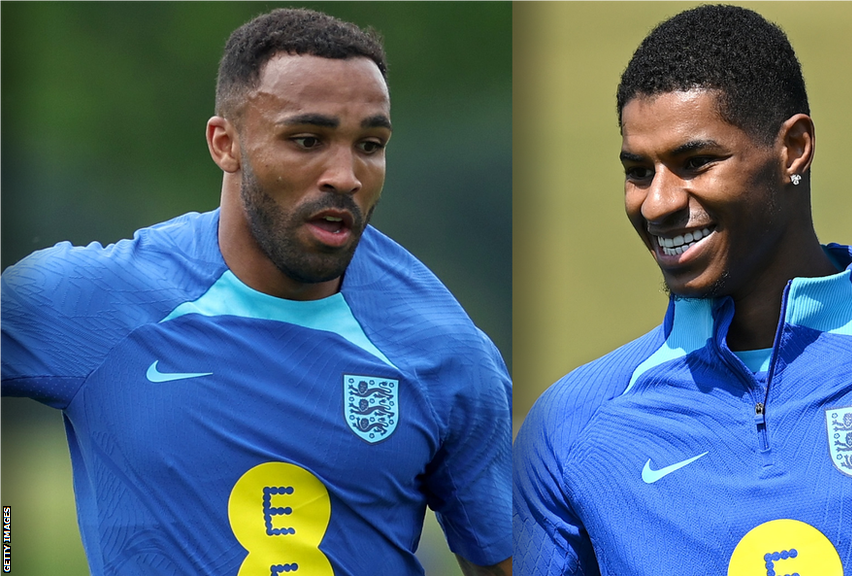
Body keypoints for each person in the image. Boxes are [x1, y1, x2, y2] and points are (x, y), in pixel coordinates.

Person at [513, 5, 852, 574]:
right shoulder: (571, 429)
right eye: (638, 171)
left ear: (793, 149)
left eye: (696, 161)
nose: (656, 203)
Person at [0, 8, 511, 576]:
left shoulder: (448, 351)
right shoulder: (94, 301)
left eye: (369, 144)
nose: (345, 175)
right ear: (226, 144)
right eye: (307, 139)